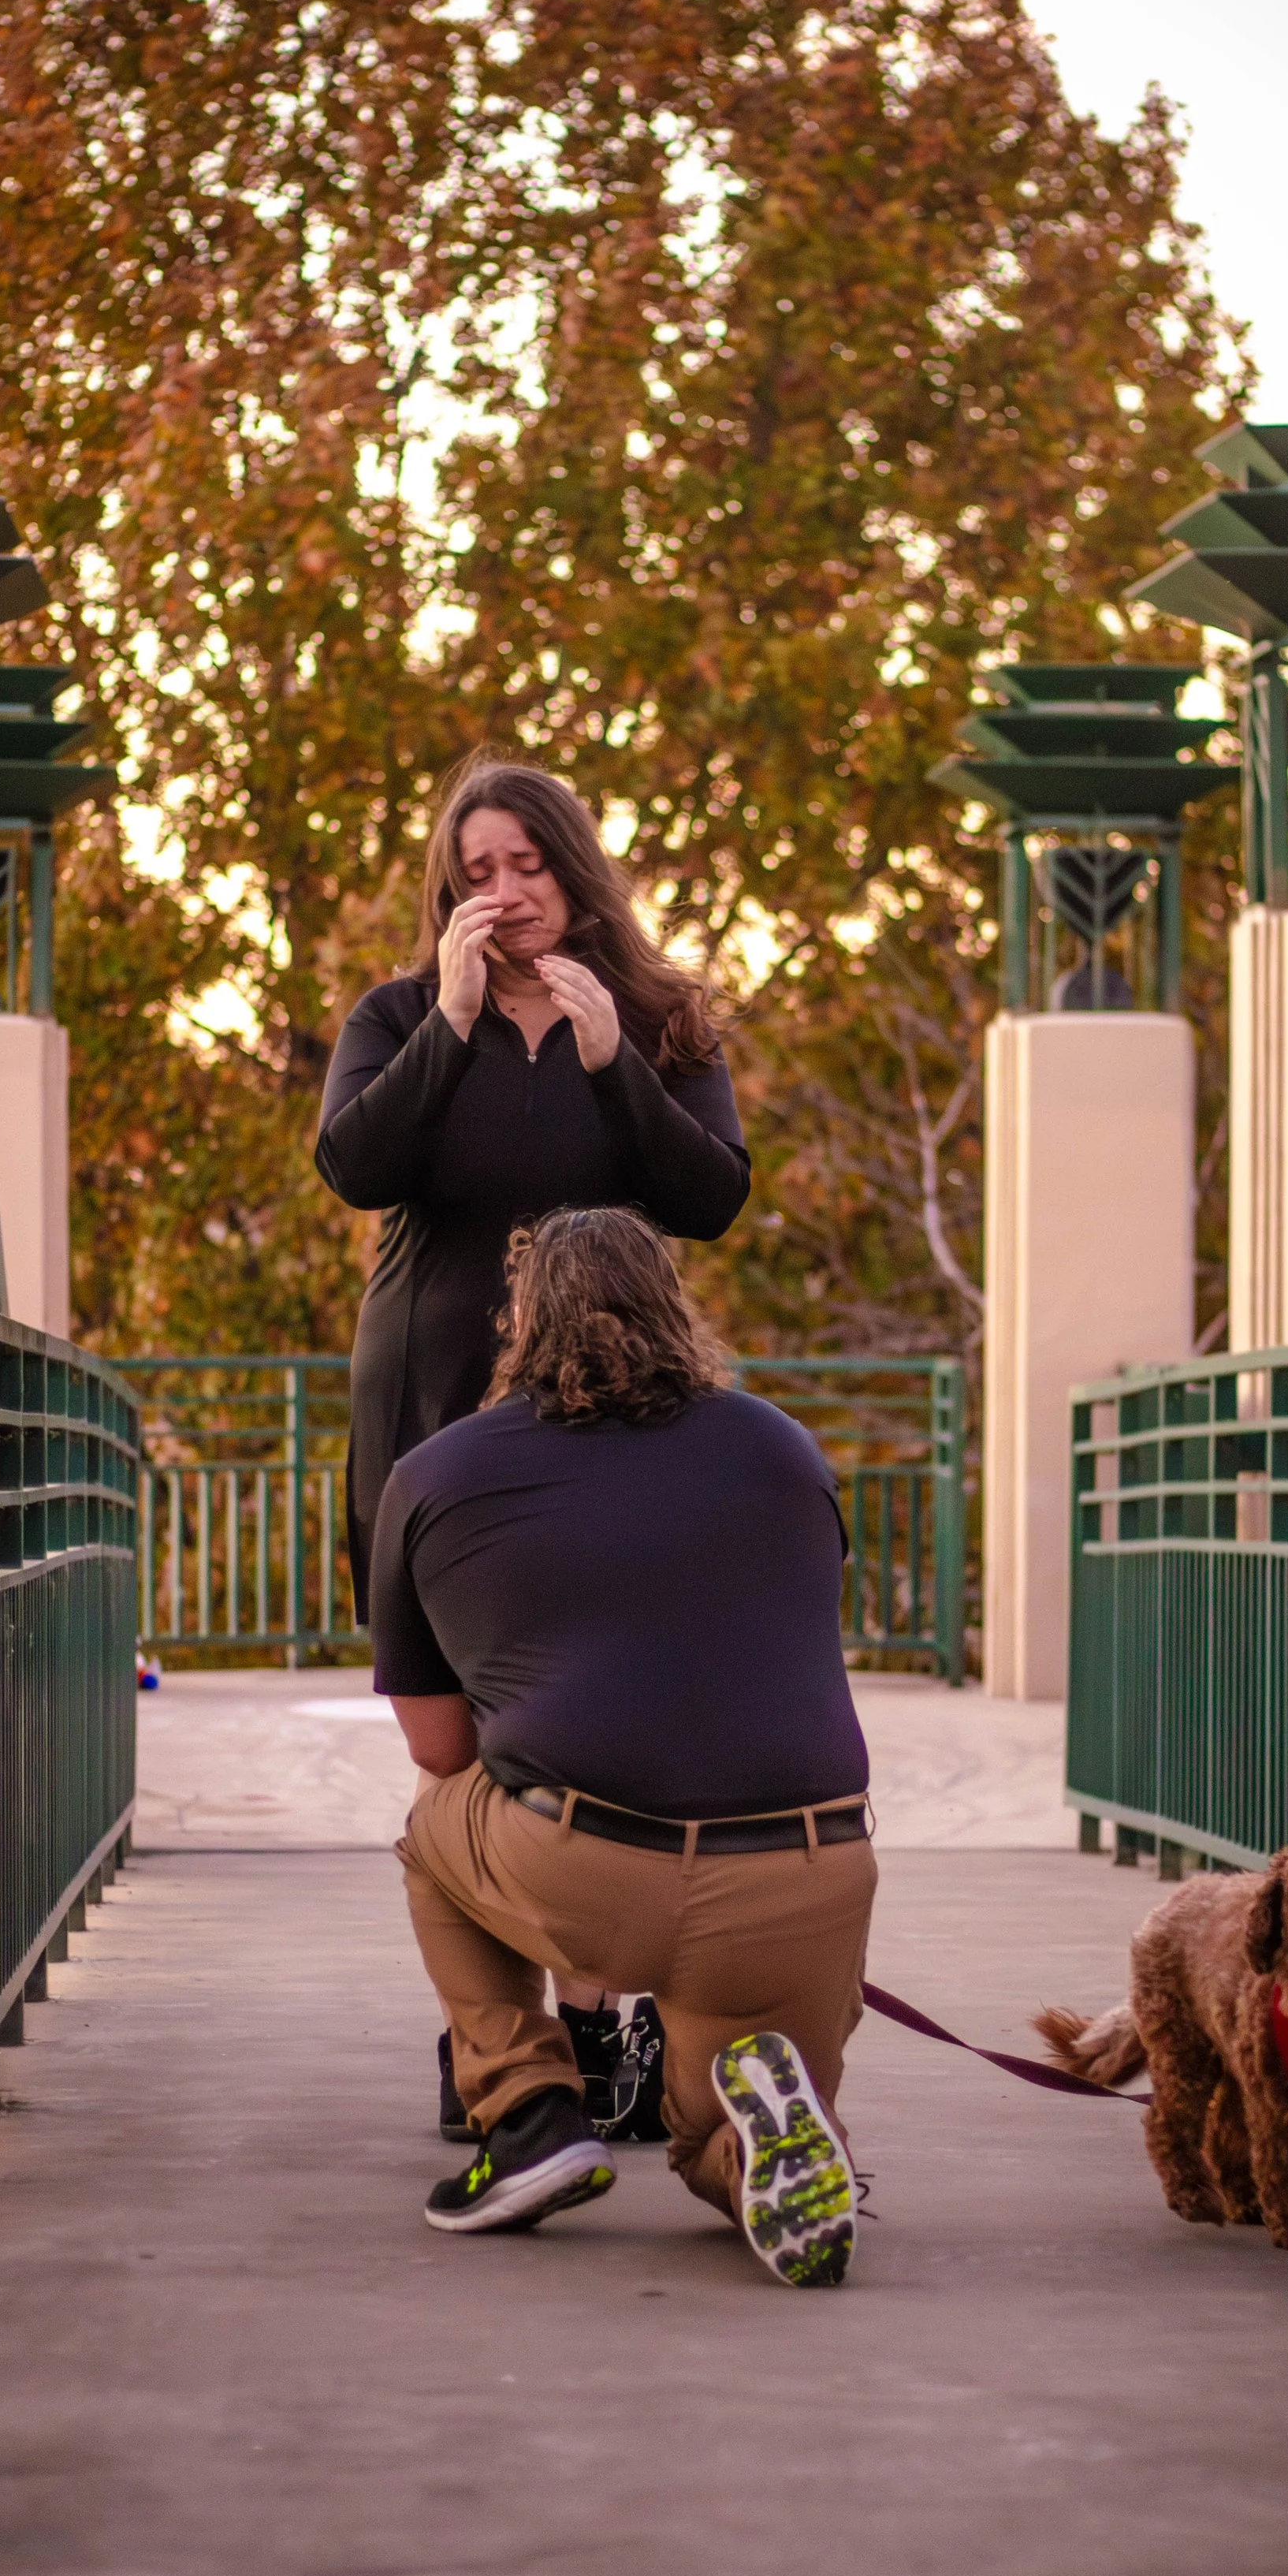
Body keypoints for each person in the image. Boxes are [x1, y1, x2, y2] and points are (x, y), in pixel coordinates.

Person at [315, 754, 751, 2128]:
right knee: (456, 1754)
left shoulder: (664, 1021)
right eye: (476, 872)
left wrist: (615, 1062)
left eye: (529, 864)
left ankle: (587, 2029)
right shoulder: (395, 1015)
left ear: (574, 865)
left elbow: (710, 1199)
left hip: (601, 1418)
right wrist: (448, 1026)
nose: (505, 894)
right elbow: (357, 1169)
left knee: (583, 1723)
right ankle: (503, 2047)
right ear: (448, 891)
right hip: (428, 1413)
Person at [370, 1206, 877, 2289]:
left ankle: (528, 2116)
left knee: (432, 1835)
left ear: (518, 1320)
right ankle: (755, 2145)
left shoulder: (436, 1474)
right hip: (808, 1870)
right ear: (676, 1311)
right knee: (700, 2141)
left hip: (594, 1866)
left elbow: (441, 1741)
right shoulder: (785, 1446)